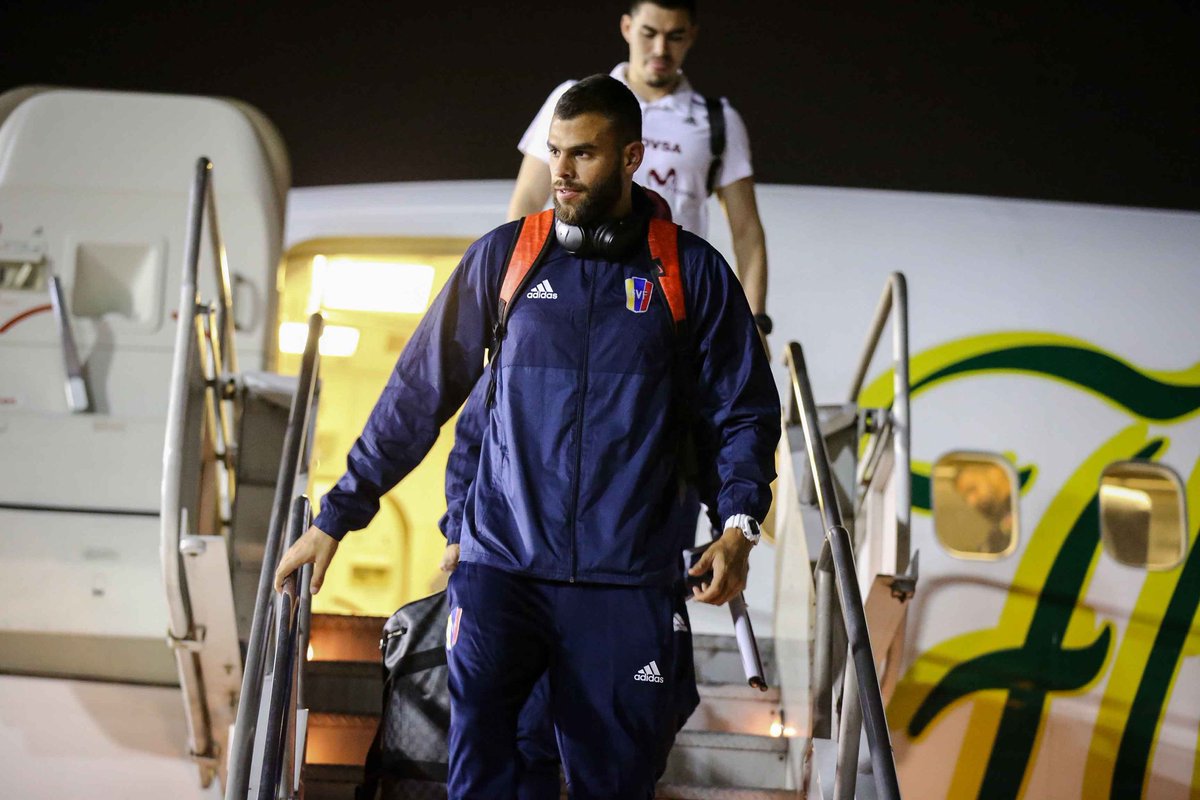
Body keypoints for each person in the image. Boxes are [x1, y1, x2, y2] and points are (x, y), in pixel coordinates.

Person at [275, 75, 779, 799]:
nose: (562, 173)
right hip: (502, 572)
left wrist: (737, 527)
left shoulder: (690, 273)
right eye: (554, 153)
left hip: (626, 581)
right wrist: (335, 517)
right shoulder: (505, 258)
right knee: (484, 779)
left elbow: (744, 413)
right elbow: (418, 396)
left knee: (617, 782)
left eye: (584, 155)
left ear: (632, 157)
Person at [507, 0, 772, 332]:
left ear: (691, 36)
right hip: (575, 292)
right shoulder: (573, 100)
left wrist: (755, 323)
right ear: (627, 28)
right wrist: (511, 296)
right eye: (649, 33)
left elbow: (747, 233)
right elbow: (526, 205)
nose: (661, 49)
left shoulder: (720, 121)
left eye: (675, 36)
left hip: (671, 303)